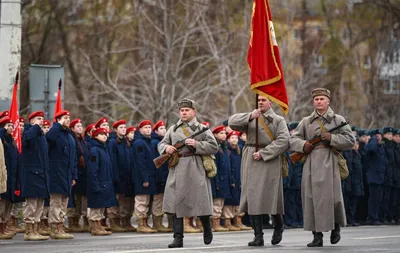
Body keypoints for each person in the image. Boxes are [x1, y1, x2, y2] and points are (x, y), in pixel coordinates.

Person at [289, 88, 355, 247]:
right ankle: (316, 235)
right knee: (311, 198)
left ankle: (335, 228)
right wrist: (304, 145)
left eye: (321, 99)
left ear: (328, 101)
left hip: (330, 161)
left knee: (332, 198)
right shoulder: (306, 121)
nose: (319, 101)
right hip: (311, 162)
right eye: (316, 99)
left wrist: (332, 138)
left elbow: (350, 140)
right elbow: (293, 140)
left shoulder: (338, 120)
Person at [228, 95, 289, 247]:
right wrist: (250, 116)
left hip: (269, 159)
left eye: (264, 100)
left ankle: (279, 225)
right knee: (252, 196)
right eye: (259, 100)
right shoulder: (252, 117)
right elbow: (231, 123)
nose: (260, 102)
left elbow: (284, 141)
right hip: (251, 159)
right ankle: (258, 236)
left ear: (271, 102)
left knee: (271, 196)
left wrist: (264, 153)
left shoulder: (278, 120)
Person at [158, 98, 218, 248]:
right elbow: (162, 143)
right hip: (177, 167)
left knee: (201, 201)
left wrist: (197, 145)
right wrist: (166, 149)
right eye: (182, 111)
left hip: (196, 167)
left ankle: (207, 229)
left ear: (193, 112)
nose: (184, 113)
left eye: (187, 110)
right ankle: (178, 238)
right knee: (176, 203)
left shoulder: (202, 129)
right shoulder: (173, 129)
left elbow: (214, 146)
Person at [46, 110, 77, 239]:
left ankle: (60, 226)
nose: (68, 119)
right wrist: (58, 125)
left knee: (64, 202)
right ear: (58, 119)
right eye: (65, 117)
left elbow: (73, 157)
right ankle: (54, 228)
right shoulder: (55, 133)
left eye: (69, 117)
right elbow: (49, 138)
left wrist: (74, 175)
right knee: (56, 202)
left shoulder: (69, 135)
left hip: (67, 174)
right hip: (56, 173)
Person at [20, 111, 50, 241]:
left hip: (42, 173)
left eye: (42, 118)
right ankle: (29, 231)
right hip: (31, 174)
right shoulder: (28, 133)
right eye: (38, 118)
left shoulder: (41, 136)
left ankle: (36, 228)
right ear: (31, 121)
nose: (41, 121)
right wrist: (35, 127)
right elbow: (26, 140)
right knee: (31, 203)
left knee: (39, 203)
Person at [87, 127, 117, 236]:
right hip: (98, 183)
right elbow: (92, 169)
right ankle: (94, 227)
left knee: (101, 206)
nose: (104, 135)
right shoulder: (95, 150)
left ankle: (98, 225)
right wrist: (94, 184)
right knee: (96, 206)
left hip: (105, 182)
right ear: (95, 136)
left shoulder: (103, 149)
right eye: (101, 134)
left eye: (105, 133)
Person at [107, 119, 135, 232]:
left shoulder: (125, 141)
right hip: (117, 175)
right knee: (116, 199)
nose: (123, 129)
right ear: (115, 130)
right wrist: (115, 176)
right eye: (121, 127)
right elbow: (112, 161)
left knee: (123, 200)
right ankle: (114, 222)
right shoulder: (113, 142)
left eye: (124, 127)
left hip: (126, 176)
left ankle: (124, 222)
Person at [132, 120, 158, 233]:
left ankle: (145, 223)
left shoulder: (147, 141)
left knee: (146, 200)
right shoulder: (139, 143)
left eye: (149, 127)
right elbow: (140, 162)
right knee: (142, 200)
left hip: (149, 176)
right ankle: (141, 224)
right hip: (142, 177)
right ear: (140, 129)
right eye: (146, 127)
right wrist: (145, 178)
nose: (148, 129)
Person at [223, 130, 252, 231]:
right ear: (228, 139)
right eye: (232, 138)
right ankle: (228, 222)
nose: (234, 140)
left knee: (239, 200)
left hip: (240, 178)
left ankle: (238, 221)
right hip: (232, 179)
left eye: (236, 138)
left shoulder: (239, 150)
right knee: (230, 202)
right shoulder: (227, 151)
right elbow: (229, 167)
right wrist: (232, 180)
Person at [0, 117, 22, 239]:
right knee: (2, 203)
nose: (11, 128)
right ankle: (0, 227)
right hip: (3, 176)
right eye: (7, 125)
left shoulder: (12, 142)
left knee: (9, 203)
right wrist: (2, 130)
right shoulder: (1, 139)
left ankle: (4, 224)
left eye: (12, 126)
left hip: (12, 177)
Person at [66, 118, 90, 232]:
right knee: (74, 199)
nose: (80, 128)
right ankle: (73, 222)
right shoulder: (72, 139)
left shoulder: (82, 140)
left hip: (83, 174)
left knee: (80, 199)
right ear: (72, 128)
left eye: (81, 126)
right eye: (77, 126)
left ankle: (79, 221)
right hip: (75, 173)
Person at [211, 125, 235, 232]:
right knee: (216, 203)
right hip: (218, 179)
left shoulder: (224, 147)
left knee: (221, 203)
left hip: (225, 179)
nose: (224, 135)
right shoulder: (215, 147)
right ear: (215, 135)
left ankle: (220, 222)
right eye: (220, 133)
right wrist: (216, 181)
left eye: (224, 133)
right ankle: (215, 224)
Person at [151, 120, 172, 233]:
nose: (164, 130)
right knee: (158, 200)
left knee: (166, 199)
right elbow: (156, 162)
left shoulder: (163, 142)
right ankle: (157, 223)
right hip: (158, 176)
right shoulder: (155, 143)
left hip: (165, 175)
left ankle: (168, 223)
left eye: (164, 128)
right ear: (156, 131)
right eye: (161, 129)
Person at [365, 129, 386, 225]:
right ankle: (372, 217)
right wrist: (373, 139)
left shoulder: (380, 146)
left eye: (379, 135)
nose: (379, 137)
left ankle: (376, 216)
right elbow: (371, 149)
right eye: (376, 135)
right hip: (373, 178)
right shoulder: (371, 145)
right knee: (373, 199)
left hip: (380, 177)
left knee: (378, 199)